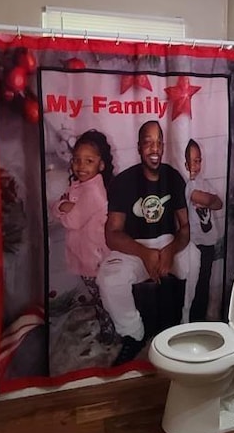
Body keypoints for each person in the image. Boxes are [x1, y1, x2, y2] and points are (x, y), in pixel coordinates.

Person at [97, 120, 199, 364]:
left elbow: (185, 227)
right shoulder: (123, 182)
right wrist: (144, 253)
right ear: (138, 147)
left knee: (193, 257)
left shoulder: (173, 177)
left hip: (167, 242)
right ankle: (134, 333)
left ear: (163, 146)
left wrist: (171, 250)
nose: (154, 148)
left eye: (158, 143)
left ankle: (183, 323)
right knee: (108, 278)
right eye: (147, 143)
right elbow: (112, 234)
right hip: (133, 246)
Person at [50, 129, 116, 343]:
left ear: (101, 165)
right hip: (84, 252)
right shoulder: (79, 185)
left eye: (89, 161)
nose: (81, 166)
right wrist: (63, 205)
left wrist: (63, 207)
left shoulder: (94, 193)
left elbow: (71, 220)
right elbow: (59, 207)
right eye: (77, 160)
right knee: (98, 294)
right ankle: (109, 322)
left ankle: (112, 329)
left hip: (95, 257)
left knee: (102, 297)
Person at [184, 139, 223, 321]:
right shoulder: (189, 185)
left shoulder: (204, 183)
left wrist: (209, 199)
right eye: (191, 161)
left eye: (198, 160)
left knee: (205, 282)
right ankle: (191, 320)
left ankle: (200, 320)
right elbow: (208, 200)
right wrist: (208, 199)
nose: (195, 165)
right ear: (185, 164)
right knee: (194, 285)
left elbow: (218, 203)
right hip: (195, 243)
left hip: (208, 242)